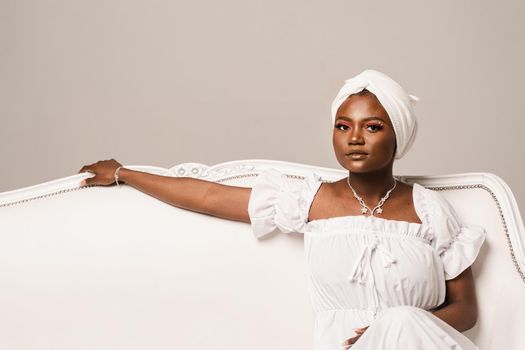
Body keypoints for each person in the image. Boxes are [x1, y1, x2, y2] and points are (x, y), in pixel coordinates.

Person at [78, 69, 486, 349]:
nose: (355, 138)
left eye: (373, 126)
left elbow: (465, 311)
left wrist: (395, 326)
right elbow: (208, 197)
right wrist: (124, 173)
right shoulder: (311, 201)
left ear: (398, 137)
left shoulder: (430, 211)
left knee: (400, 322)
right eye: (343, 126)